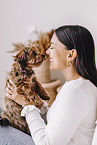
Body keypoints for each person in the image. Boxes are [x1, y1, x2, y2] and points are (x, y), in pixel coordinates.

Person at [5, 25, 97, 145]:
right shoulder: (78, 86)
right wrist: (32, 102)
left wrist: (27, 105)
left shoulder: (75, 92)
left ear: (71, 55)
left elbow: (47, 143)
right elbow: (55, 121)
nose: (47, 52)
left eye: (52, 47)